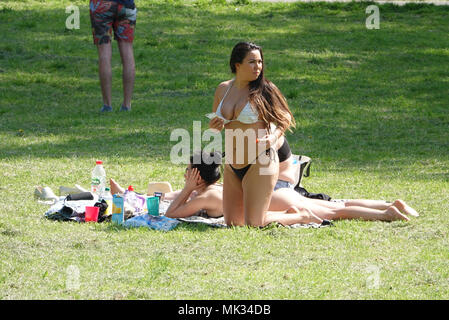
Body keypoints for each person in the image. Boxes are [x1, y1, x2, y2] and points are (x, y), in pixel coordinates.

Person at [108, 151, 418, 224]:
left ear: (195, 176)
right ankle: (388, 203)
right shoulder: (211, 189)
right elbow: (166, 198)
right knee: (335, 204)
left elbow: (172, 214)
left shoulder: (199, 196)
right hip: (276, 195)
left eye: (188, 173)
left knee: (336, 211)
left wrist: (187, 190)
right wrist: (130, 195)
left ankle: (387, 213)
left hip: (272, 206)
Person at [208, 42, 299, 227]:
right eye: (252, 62)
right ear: (237, 65)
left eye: (260, 62)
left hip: (260, 161)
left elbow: (286, 118)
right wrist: (215, 126)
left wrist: (273, 137)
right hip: (233, 163)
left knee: (254, 224)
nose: (258, 66)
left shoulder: (264, 90)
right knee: (233, 223)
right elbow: (217, 126)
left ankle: (301, 215)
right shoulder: (223, 89)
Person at [89, 0, 137, 112]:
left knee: (104, 53)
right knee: (127, 51)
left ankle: (107, 105)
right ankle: (127, 105)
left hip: (101, 5)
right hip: (127, 5)